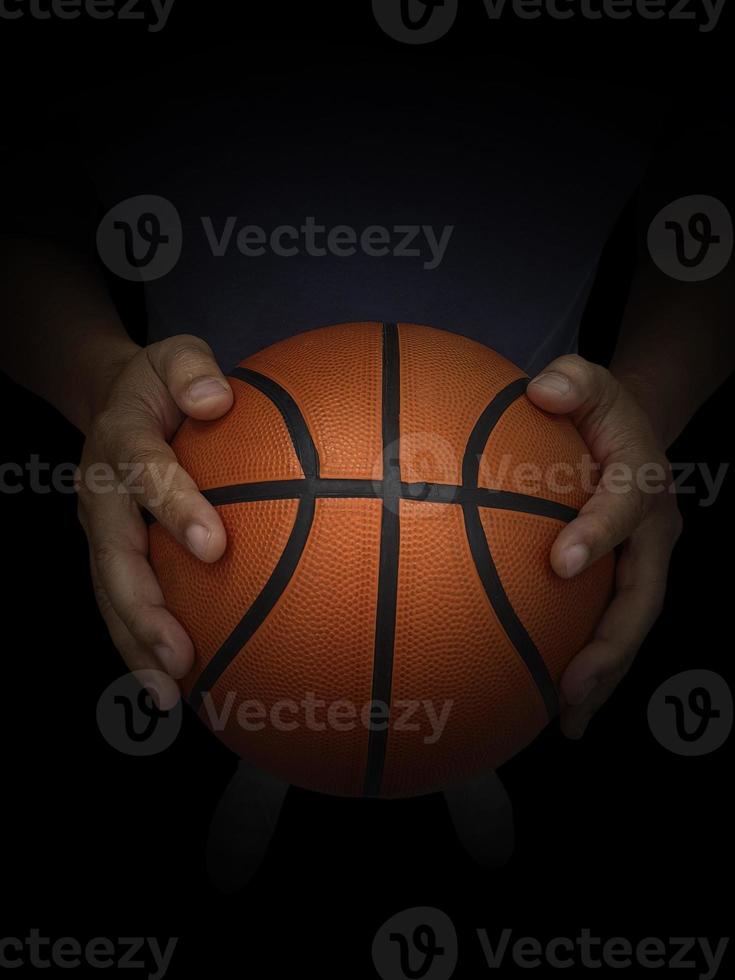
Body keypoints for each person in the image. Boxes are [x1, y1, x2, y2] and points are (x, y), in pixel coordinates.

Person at [2, 49, 732, 883]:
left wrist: (645, 401)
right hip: (215, 472)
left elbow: (708, 186)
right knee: (271, 652)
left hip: (526, 474)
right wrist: (101, 380)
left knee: (475, 654)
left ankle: (461, 749)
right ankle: (277, 749)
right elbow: (23, 191)